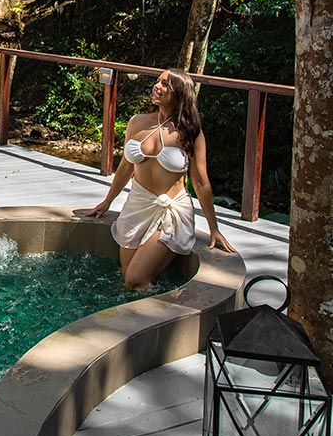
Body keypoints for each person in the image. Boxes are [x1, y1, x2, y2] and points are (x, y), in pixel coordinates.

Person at [84, 69, 235, 289]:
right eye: (157, 81)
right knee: (128, 278)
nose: (157, 86)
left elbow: (201, 183)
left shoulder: (190, 133)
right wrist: (107, 201)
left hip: (170, 211)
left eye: (165, 84)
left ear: (180, 93)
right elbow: (126, 167)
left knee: (135, 278)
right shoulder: (137, 123)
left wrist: (214, 228)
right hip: (136, 206)